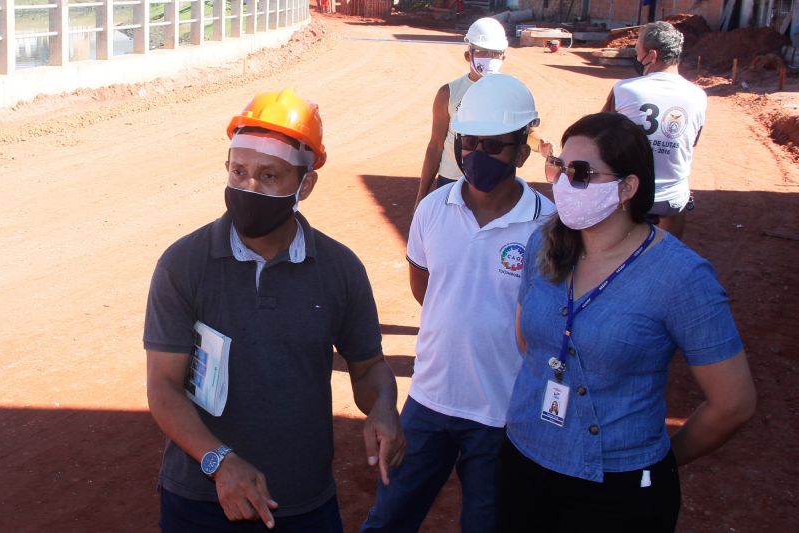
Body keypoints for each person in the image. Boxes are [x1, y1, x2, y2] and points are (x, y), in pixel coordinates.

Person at [144, 88, 405, 532]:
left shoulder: (340, 269)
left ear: (305, 184)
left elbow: (368, 368)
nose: (248, 186)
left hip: (302, 502)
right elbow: (163, 388)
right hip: (201, 500)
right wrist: (219, 462)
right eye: (238, 171)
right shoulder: (183, 264)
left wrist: (383, 408)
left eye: (269, 176)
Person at [497, 112, 756, 532]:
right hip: (524, 461)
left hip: (619, 491)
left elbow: (734, 403)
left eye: (581, 173)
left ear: (627, 187)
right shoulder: (542, 242)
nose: (563, 182)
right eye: (559, 167)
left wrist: (659, 456)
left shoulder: (681, 277)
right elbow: (530, 343)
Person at [362, 74, 556, 533]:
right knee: (388, 518)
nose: (477, 157)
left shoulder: (548, 227)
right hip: (429, 403)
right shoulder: (432, 209)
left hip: (502, 416)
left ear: (522, 152)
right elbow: (422, 286)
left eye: (494, 147)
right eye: (469, 144)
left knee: (487, 524)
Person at [601, 21, 707, 239]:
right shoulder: (698, 96)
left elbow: (600, 135)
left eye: (637, 50)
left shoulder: (624, 89)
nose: (636, 55)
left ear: (652, 55)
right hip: (672, 200)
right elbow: (691, 142)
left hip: (630, 195)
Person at [413, 17, 510, 208]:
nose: (489, 58)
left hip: (493, 181)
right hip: (451, 182)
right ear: (468, 55)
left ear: (503, 57)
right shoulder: (448, 93)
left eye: (496, 53)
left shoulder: (510, 93)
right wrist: (421, 196)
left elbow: (524, 134)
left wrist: (540, 145)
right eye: (482, 52)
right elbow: (435, 145)